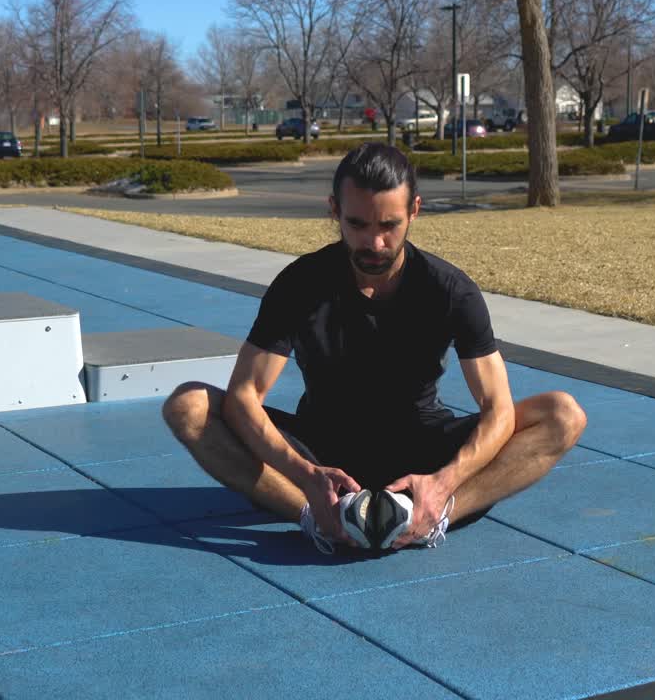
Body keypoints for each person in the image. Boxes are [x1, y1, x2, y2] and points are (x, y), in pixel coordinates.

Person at [163, 143, 585, 553]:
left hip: (422, 450)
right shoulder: (300, 284)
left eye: (389, 225)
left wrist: (443, 482)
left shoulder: (451, 290)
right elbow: (244, 397)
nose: (375, 243)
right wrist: (306, 475)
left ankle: (432, 516)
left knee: (563, 414)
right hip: (322, 449)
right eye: (358, 225)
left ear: (414, 211)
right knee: (188, 406)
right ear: (335, 212)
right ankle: (318, 518)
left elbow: (498, 408)